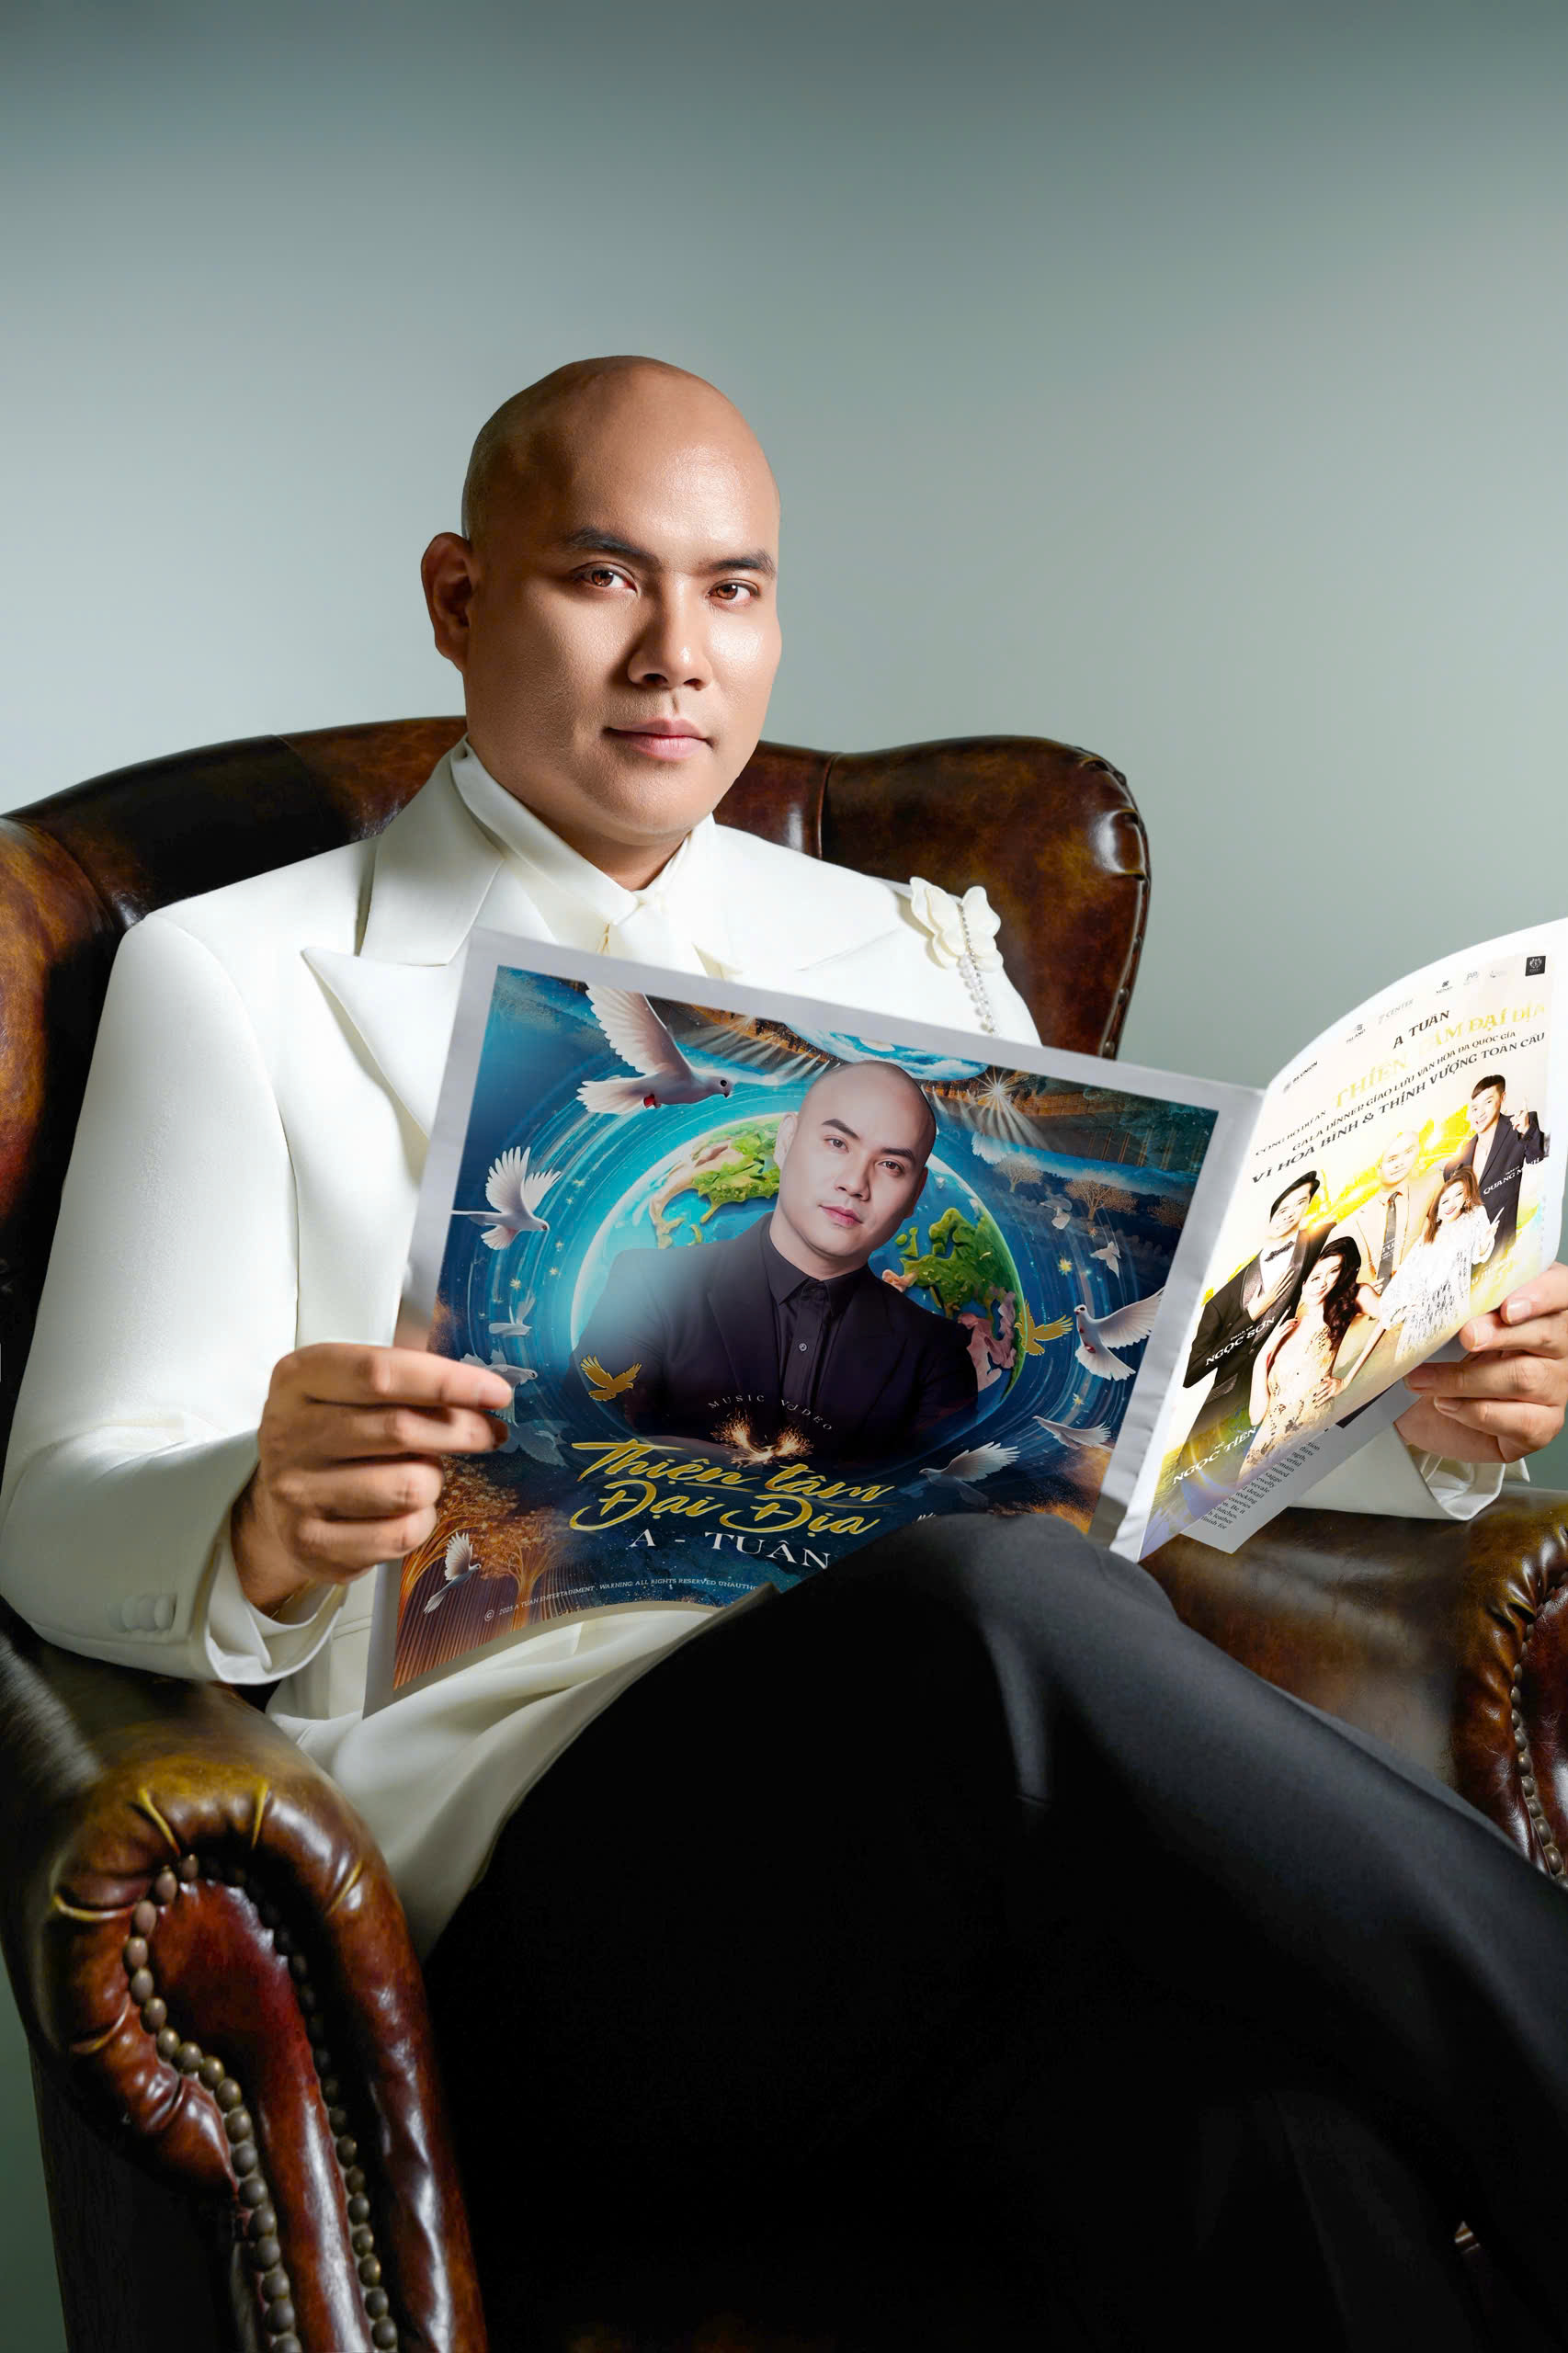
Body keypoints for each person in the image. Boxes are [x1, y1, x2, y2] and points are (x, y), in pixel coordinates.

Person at [6, 356, 1568, 2344]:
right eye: (603, 576)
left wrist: (1411, 1409)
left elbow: (1109, 1424)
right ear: (457, 597)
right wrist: (253, 1516)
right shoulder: (239, 978)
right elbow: (53, 1512)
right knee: (990, 1601)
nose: (678, 652)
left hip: (967, 1862)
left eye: (733, 588)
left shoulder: (907, 949)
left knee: (1271, 2138)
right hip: (552, 1919)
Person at [574, 1059, 976, 1461]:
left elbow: (930, 1492)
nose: (855, 1183)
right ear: (786, 1142)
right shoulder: (649, 1285)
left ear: (915, 1193)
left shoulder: (938, 1357)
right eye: (837, 1143)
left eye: (891, 1165)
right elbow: (580, 1448)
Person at [1176, 1171, 1329, 1482]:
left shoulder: (1311, 1246)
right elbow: (1191, 1374)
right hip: (1223, 1413)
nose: (1290, 1213)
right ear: (1270, 1213)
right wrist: (1250, 1317)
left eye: (1300, 1203)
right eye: (1283, 1207)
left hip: (1283, 1394)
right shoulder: (1222, 1299)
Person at [1240, 1235, 1365, 1473]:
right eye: (1315, 1278)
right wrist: (1264, 1353)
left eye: (1332, 1273)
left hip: (1309, 1438)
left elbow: (1387, 1315)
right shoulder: (1285, 1332)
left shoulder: (1332, 1318)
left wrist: (1346, 1381)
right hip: (1263, 1453)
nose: (1321, 1284)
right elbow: (1256, 1416)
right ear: (1304, 1283)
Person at [1367, 1166, 1499, 1364]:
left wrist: (1485, 1241)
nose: (1451, 1204)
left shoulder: (1472, 1218)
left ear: (1466, 1198)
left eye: (1458, 1195)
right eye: (1445, 1201)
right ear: (1437, 1210)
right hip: (1420, 1322)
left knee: (1458, 1361)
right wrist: (1402, 1310)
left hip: (1454, 1311)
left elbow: (1477, 1255)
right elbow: (1403, 1280)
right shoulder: (1427, 1241)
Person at [1330, 1126, 1441, 1319]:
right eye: (1391, 1159)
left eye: (1408, 1152)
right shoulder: (1349, 1223)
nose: (1400, 1163)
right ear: (1378, 1166)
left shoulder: (1433, 1183)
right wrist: (1356, 1297)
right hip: (1368, 1319)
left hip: (1427, 1299)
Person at [1444, 1071, 1549, 1258]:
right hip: (1465, 1254)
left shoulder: (1519, 1127)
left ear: (1503, 1098)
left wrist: (1527, 1131)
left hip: (1504, 1248)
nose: (1480, 1112)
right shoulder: (1458, 1159)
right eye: (1475, 1107)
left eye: (1488, 1102)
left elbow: (1538, 1157)